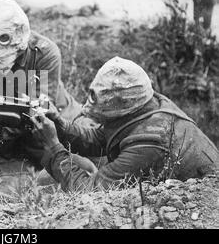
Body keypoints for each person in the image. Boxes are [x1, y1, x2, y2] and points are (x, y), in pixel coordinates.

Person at [30, 56, 219, 192]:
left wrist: (53, 147)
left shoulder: (150, 141)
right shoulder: (146, 104)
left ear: (122, 107)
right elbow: (100, 138)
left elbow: (89, 192)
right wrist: (59, 124)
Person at [0, 0, 94, 165]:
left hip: (53, 122)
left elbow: (40, 110)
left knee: (76, 165)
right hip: (6, 117)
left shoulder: (45, 53)